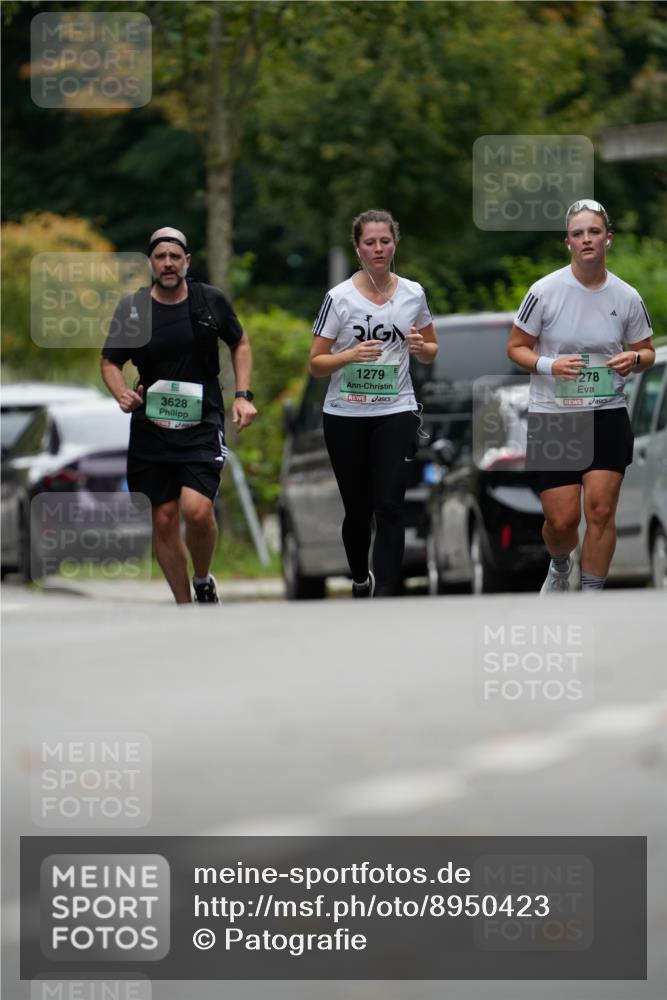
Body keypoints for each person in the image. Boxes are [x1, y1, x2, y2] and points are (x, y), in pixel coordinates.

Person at [101, 227, 257, 604]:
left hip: (201, 420)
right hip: (151, 426)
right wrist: (121, 392)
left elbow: (240, 342)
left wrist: (242, 395)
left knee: (197, 510)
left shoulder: (210, 301)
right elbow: (110, 361)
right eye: (160, 257)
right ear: (150, 263)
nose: (168, 263)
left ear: (187, 260)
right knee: (165, 518)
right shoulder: (134, 308)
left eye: (175, 256)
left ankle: (202, 580)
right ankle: (184, 607)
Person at [507, 199, 655, 593]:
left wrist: (635, 358)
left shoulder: (626, 297)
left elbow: (646, 350)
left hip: (606, 410)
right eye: (578, 234)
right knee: (562, 521)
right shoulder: (545, 291)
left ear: (609, 239)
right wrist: (548, 366)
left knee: (602, 511)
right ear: (567, 243)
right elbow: (517, 347)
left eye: (594, 232)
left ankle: (591, 596)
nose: (587, 239)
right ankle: (559, 565)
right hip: (555, 415)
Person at [309, 209, 438, 597]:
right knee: (359, 510)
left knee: (390, 504)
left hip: (396, 409)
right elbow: (315, 364)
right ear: (358, 248)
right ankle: (360, 579)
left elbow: (431, 350)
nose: (378, 248)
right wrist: (349, 356)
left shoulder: (413, 293)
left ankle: (384, 595)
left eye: (385, 241)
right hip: (345, 414)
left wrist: (420, 347)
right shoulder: (339, 298)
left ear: (394, 243)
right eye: (370, 242)